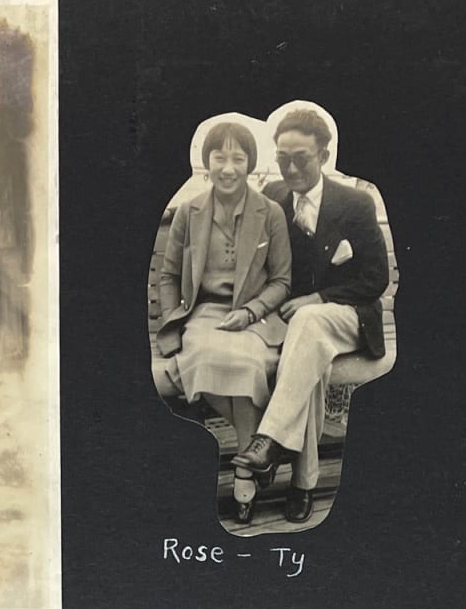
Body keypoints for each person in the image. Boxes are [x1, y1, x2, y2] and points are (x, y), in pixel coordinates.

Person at [233, 107, 390, 524]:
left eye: (300, 157)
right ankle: (303, 485)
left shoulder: (355, 202)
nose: (290, 167)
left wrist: (320, 297)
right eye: (282, 158)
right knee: (307, 358)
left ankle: (268, 439)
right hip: (299, 326)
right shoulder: (274, 200)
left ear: (323, 154)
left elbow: (376, 280)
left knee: (308, 326)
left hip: (348, 316)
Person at [156, 121, 292, 527]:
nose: (228, 167)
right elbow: (167, 276)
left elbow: (283, 280)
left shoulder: (270, 212)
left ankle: (245, 469)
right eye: (220, 156)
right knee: (207, 359)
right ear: (207, 162)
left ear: (250, 163)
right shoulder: (188, 212)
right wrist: (172, 321)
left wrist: (250, 312)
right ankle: (257, 457)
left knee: (248, 365)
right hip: (203, 317)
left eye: (238, 157)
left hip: (254, 315)